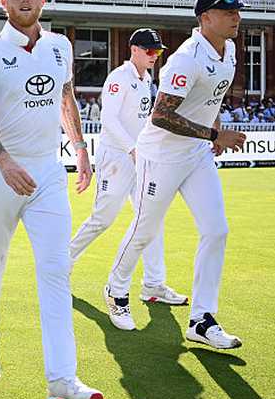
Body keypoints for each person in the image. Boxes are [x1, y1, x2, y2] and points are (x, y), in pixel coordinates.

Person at [0, 0, 103, 399]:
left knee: (56, 271)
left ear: (44, 0)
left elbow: (66, 98)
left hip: (47, 174)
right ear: (3, 2)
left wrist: (80, 147)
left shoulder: (60, 46)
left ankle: (62, 380)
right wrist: (4, 162)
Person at [104, 0, 248, 350]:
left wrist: (210, 137)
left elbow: (212, 98)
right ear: (205, 18)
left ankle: (202, 319)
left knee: (216, 230)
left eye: (238, 11)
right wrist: (215, 133)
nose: (236, 16)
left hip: (197, 153)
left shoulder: (229, 50)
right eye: (227, 10)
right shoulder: (185, 59)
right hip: (161, 156)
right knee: (144, 229)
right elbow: (162, 115)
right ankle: (116, 289)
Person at [69, 29, 188, 306]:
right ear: (134, 49)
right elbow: (109, 120)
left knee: (151, 218)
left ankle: (154, 284)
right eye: (150, 51)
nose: (154, 57)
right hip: (117, 158)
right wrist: (133, 149)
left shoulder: (147, 79)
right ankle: (63, 261)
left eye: (158, 53)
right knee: (103, 219)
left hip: (141, 158)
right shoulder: (118, 78)